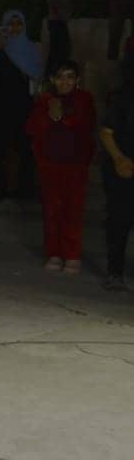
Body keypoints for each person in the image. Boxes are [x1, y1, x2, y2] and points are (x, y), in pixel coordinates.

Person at [25, 61, 98, 273]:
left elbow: (84, 125)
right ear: (52, 80)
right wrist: (49, 112)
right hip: (50, 163)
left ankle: (72, 254)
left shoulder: (84, 99)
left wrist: (62, 115)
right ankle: (54, 253)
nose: (65, 82)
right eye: (60, 77)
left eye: (69, 77)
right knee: (52, 210)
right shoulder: (45, 101)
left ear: (77, 80)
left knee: (73, 210)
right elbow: (32, 128)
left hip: (75, 164)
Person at [0, 10, 41, 213]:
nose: (14, 28)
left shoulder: (30, 49)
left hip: (22, 109)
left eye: (18, 24)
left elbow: (36, 79)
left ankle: (11, 194)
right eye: (10, 24)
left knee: (18, 152)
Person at [99, 57, 134, 291]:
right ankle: (115, 272)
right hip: (124, 169)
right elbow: (106, 132)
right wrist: (119, 158)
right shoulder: (123, 99)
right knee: (120, 220)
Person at [44, 0, 76, 74]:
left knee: (65, 49)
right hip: (56, 21)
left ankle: (61, 72)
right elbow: (52, 4)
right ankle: (51, 74)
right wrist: (61, 16)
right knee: (56, 49)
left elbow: (73, 0)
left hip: (65, 20)